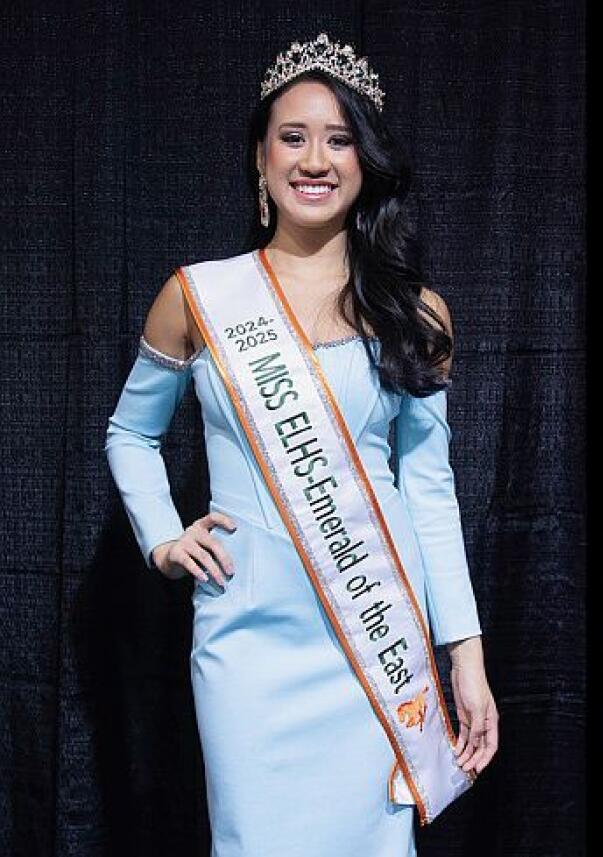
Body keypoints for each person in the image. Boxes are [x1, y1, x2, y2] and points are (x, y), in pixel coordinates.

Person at [105, 33, 498, 856]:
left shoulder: (416, 313)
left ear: (366, 161)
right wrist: (163, 539)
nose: (314, 159)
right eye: (293, 136)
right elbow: (130, 433)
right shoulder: (199, 296)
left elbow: (430, 490)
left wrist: (465, 653)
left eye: (339, 138)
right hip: (246, 639)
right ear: (260, 155)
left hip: (375, 644)